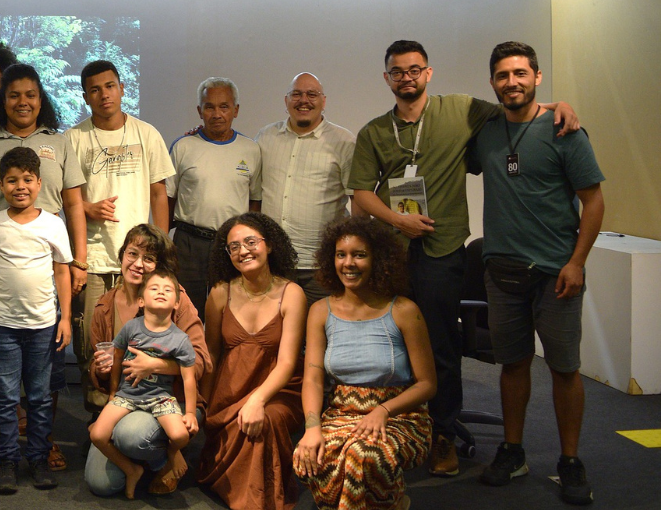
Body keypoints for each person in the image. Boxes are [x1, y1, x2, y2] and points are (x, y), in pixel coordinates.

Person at [347, 40, 578, 476]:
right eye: (398, 72)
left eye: (415, 69)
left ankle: (442, 436)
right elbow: (360, 192)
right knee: (386, 344)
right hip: (390, 254)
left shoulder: (461, 110)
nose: (407, 77)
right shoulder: (375, 131)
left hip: (442, 247)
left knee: (441, 345)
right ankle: (394, 429)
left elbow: (517, 107)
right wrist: (397, 220)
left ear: (428, 73)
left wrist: (558, 105)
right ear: (387, 78)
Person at [470, 42, 604, 506]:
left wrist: (577, 261)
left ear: (537, 77)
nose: (512, 82)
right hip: (502, 271)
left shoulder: (566, 130)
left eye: (521, 73)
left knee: (565, 367)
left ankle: (569, 459)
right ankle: (513, 450)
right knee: (514, 364)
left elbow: (593, 201)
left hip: (557, 273)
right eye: (503, 75)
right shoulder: (485, 132)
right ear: (492, 83)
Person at [0, 63, 87, 473]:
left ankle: (41, 444)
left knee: (42, 367)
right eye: (14, 95)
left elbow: (73, 204)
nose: (23, 102)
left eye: (30, 94)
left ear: (40, 99)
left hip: (48, 254)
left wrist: (78, 260)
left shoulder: (60, 142)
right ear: (2, 100)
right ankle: (3, 444)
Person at [295, 217, 436, 510]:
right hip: (342, 410)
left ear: (378, 260)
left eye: (359, 255)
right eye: (341, 255)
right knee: (321, 452)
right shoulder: (320, 311)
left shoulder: (404, 310)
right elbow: (312, 378)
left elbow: (427, 384)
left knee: (363, 455)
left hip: (401, 414)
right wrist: (311, 427)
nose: (349, 263)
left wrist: (382, 411)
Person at [68, 60, 175, 415]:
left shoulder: (147, 134)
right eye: (95, 89)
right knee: (93, 346)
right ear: (85, 96)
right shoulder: (74, 137)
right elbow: (64, 198)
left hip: (141, 261)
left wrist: (161, 252)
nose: (104, 95)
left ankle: (141, 416)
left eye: (110, 86)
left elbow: (159, 194)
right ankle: (98, 420)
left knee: (146, 342)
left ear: (122, 88)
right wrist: (87, 207)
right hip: (95, 260)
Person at [0, 147, 73, 493]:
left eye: (27, 179)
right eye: (12, 180)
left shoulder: (53, 224)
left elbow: (62, 271)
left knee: (40, 396)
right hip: (0, 325)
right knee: (5, 396)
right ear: (1, 185)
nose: (20, 186)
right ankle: (8, 460)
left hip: (42, 325)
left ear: (39, 183)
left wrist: (66, 317)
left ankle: (39, 459)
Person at [84, 224, 211, 497]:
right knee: (101, 484)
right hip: (125, 398)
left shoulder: (176, 300)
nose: (138, 264)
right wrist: (102, 370)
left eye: (149, 258)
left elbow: (201, 362)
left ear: (159, 265)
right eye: (133, 254)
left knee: (131, 436)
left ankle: (162, 457)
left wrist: (156, 365)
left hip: (170, 398)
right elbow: (98, 367)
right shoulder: (104, 306)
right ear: (122, 256)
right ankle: (145, 462)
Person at [198, 212, 307, 510]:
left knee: (265, 421)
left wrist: (257, 400)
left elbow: (287, 362)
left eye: (250, 242)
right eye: (234, 247)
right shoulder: (220, 294)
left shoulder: (292, 294)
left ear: (269, 245)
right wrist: (203, 404)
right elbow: (212, 353)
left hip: (279, 389)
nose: (243, 251)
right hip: (230, 388)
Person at [255, 72, 358, 305]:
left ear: (323, 101)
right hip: (275, 263)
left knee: (319, 335)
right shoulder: (265, 137)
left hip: (321, 265)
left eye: (312, 94)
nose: (304, 100)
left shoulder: (344, 142)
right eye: (297, 94)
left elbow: (358, 199)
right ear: (286, 101)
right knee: (276, 335)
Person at [168, 77, 261, 315]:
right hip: (189, 242)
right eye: (209, 107)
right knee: (186, 311)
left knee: (232, 310)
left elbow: (255, 203)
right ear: (200, 111)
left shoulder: (251, 149)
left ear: (236, 110)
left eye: (224, 106)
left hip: (232, 244)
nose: (217, 113)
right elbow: (168, 198)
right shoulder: (183, 146)